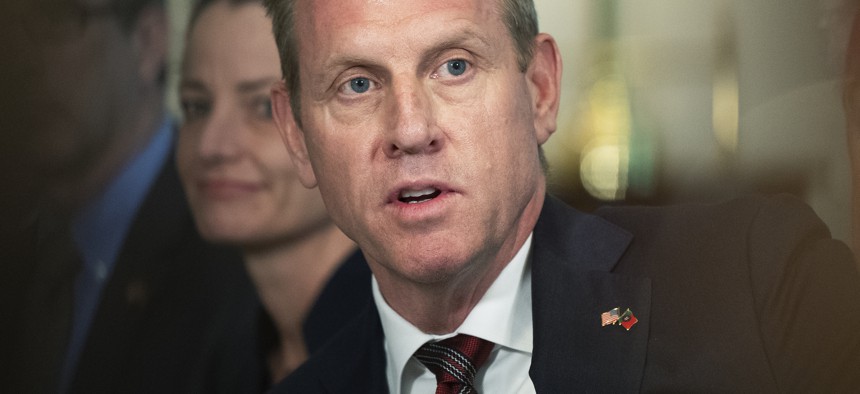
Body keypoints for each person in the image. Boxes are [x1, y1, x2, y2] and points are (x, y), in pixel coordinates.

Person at [262, 0, 860, 392]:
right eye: (357, 84)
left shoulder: (754, 280)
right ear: (296, 135)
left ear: (541, 89)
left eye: (454, 67)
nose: (411, 130)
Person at [0, 0, 256, 392]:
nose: (20, 60)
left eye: (55, 20)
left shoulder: (236, 246)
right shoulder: (20, 245)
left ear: (148, 41)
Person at [175, 0, 371, 388]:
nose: (212, 146)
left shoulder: (406, 341)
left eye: (264, 109)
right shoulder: (226, 349)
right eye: (197, 107)